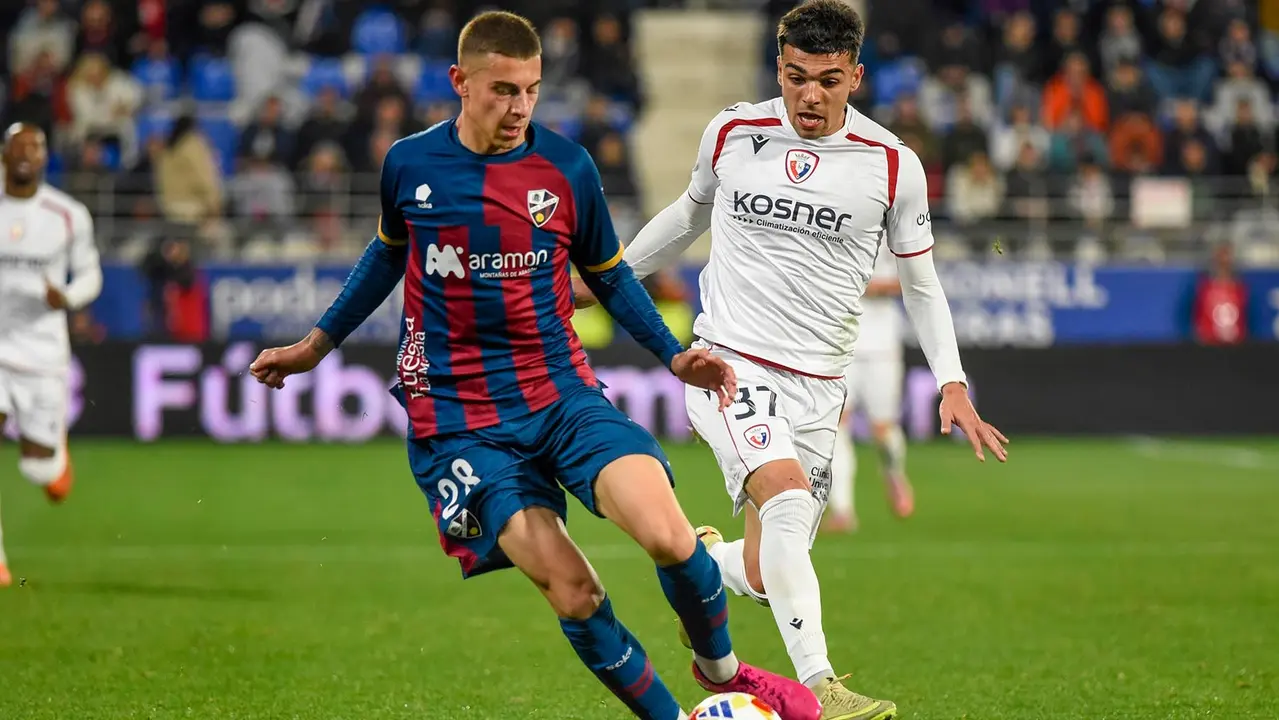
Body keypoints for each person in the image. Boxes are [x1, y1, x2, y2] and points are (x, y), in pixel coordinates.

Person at [248, 12, 820, 720]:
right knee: (575, 591)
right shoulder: (411, 164)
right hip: (458, 423)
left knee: (671, 537)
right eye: (503, 90)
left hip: (559, 392)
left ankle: (723, 672)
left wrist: (672, 355)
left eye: (531, 91)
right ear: (459, 82)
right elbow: (388, 252)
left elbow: (609, 275)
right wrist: (317, 343)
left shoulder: (566, 168)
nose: (519, 107)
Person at [574, 2, 1008, 718]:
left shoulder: (892, 165)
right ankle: (821, 686)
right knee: (783, 502)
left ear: (856, 77)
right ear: (778, 66)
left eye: (828, 80)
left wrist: (952, 382)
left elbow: (921, 284)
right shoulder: (735, 131)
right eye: (796, 77)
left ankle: (699, 566)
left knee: (767, 569)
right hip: (729, 364)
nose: (810, 95)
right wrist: (603, 284)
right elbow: (686, 216)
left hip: (819, 385)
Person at [0, 123, 102, 588]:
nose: (26, 156)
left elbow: (90, 275)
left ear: (45, 159)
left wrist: (67, 297)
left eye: (35, 149)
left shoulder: (67, 214)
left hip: (41, 353)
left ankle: (53, 455)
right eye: (18, 147)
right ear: (4, 154)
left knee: (43, 471)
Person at [823, 240, 913, 534]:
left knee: (883, 429)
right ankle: (843, 510)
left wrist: (872, 286)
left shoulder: (893, 231)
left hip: (882, 345)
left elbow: (916, 277)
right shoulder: (836, 224)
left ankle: (893, 472)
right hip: (842, 343)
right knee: (837, 424)